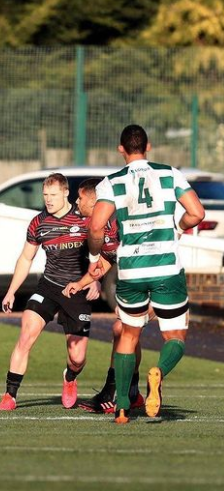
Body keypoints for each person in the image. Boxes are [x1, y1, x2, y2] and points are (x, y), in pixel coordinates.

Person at [87, 124, 205, 424]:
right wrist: (175, 227)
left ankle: (123, 407)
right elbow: (197, 213)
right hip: (166, 267)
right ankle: (159, 373)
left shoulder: (111, 183)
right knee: (175, 336)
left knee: (129, 334)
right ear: (148, 146)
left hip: (131, 270)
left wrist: (94, 254)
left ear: (121, 149)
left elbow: (96, 226)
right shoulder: (170, 174)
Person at [0, 173, 100, 411]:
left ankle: (70, 378)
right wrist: (11, 291)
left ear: (66, 193)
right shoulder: (38, 222)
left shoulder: (84, 219)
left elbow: (100, 256)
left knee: (78, 358)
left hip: (78, 291)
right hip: (49, 287)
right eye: (45, 195)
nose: (49, 200)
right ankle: (9, 395)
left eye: (53, 195)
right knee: (26, 335)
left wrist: (95, 281)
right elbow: (25, 258)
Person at [61, 178, 145, 413]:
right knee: (126, 331)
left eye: (80, 198)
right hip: (133, 282)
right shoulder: (101, 225)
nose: (76, 203)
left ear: (93, 200)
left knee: (122, 330)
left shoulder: (122, 221)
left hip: (150, 279)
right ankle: (132, 391)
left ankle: (113, 391)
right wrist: (82, 283)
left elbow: (141, 255)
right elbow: (108, 260)